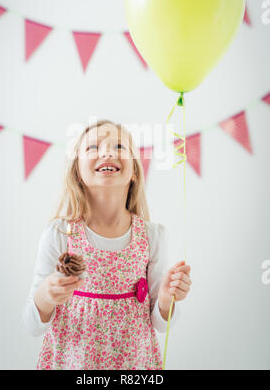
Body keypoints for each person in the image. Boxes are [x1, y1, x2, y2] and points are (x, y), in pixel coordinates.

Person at [22, 119, 191, 370]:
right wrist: (47, 295)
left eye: (119, 146)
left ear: (134, 171)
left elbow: (160, 323)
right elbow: (32, 325)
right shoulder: (59, 233)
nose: (108, 152)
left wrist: (167, 299)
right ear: (77, 172)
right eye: (93, 148)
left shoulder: (153, 236)